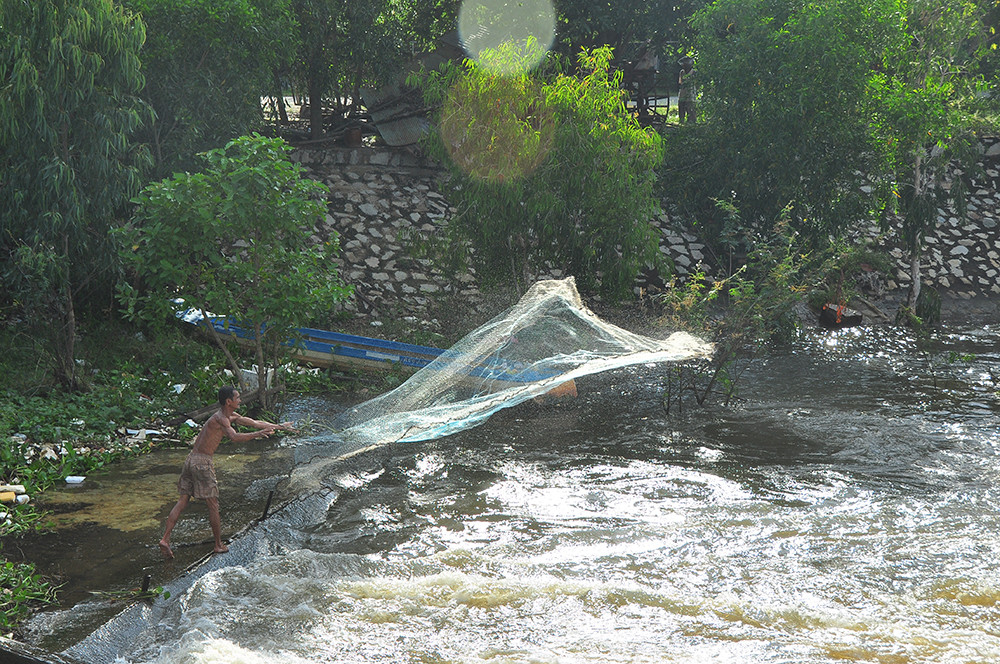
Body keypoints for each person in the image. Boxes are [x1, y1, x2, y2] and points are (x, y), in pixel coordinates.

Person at [158, 386, 296, 559]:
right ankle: (218, 545)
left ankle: (165, 539)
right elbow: (234, 437)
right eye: (237, 398)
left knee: (183, 500)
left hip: (191, 459)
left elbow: (253, 422)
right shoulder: (221, 419)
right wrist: (259, 434)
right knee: (213, 505)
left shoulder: (229, 416)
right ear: (229, 401)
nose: (240, 400)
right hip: (202, 463)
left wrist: (281, 427)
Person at [677, 56, 698, 124]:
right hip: (683, 91)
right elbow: (680, 82)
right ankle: (682, 120)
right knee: (681, 106)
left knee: (690, 107)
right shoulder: (682, 72)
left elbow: (696, 83)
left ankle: (691, 121)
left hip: (691, 91)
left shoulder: (694, 72)